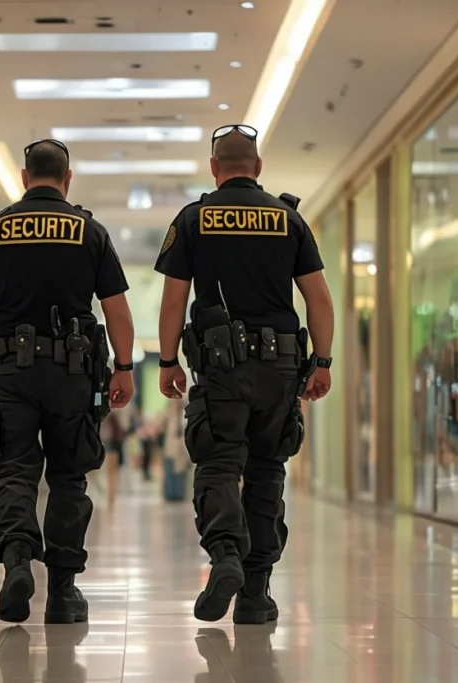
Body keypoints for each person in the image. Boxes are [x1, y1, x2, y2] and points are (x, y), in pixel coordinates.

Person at [154, 124, 335, 624]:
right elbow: (318, 298)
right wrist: (321, 361)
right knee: (266, 470)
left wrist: (167, 361)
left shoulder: (194, 219)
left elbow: (174, 300)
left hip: (220, 369)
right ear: (257, 167)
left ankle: (226, 556)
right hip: (279, 370)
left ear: (215, 168)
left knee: (217, 465)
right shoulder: (288, 220)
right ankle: (255, 594)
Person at [0, 138, 136, 625]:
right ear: (68, 178)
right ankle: (62, 592)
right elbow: (117, 310)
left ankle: (17, 561)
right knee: (67, 477)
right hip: (72, 373)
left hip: (11, 371)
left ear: (23, 177)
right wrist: (124, 367)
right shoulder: (88, 230)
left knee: (14, 469)